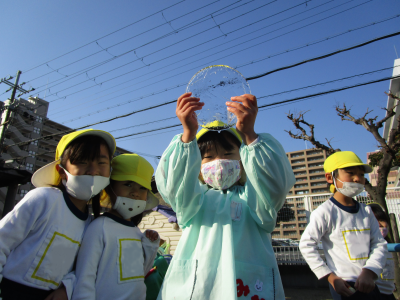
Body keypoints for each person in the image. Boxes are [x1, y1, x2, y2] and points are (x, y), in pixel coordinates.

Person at [155, 92, 295, 300]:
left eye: (229, 154)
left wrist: (250, 136)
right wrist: (187, 136)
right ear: (196, 166)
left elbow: (274, 184)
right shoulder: (193, 200)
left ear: (244, 159)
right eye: (208, 157)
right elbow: (175, 184)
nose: (219, 162)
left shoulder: (254, 198)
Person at [0, 129, 115, 300]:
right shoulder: (44, 199)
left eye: (101, 163)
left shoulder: (92, 224)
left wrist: (66, 288)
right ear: (61, 171)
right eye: (82, 161)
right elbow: (3, 240)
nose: (93, 170)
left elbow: (84, 268)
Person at [299, 151, 387, 300]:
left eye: (361, 174)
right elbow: (306, 245)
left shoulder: (366, 210)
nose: (357, 178)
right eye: (351, 173)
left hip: (369, 281)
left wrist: (369, 272)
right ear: (330, 177)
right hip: (344, 285)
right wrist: (331, 278)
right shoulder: (325, 211)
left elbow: (379, 244)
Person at [71, 154, 160, 300]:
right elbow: (85, 277)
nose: (135, 193)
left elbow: (140, 273)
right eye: (128, 184)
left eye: (142, 188)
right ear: (109, 187)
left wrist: (150, 245)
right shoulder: (99, 227)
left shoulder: (136, 231)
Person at [368, 203, 396, 300]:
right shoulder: (366, 246)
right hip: (374, 292)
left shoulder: (388, 245)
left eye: (381, 220)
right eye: (374, 221)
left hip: (388, 292)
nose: (379, 224)